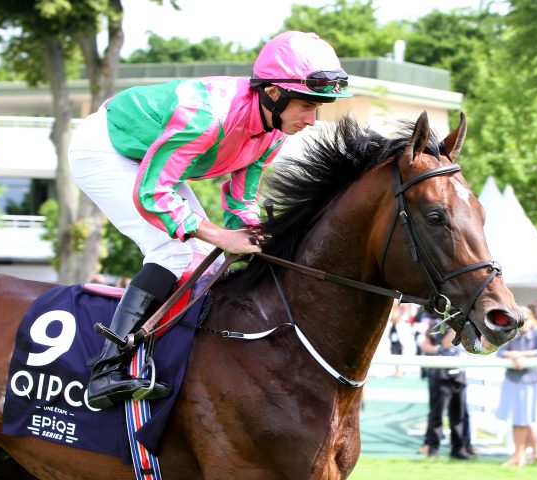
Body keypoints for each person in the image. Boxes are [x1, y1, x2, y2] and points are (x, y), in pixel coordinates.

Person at [68, 31, 353, 409]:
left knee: (212, 259)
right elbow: (152, 194)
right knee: (172, 251)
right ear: (273, 93)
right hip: (106, 150)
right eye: (307, 105)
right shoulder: (206, 117)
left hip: (149, 161)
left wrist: (263, 238)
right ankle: (106, 370)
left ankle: (168, 356)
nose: (313, 119)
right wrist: (222, 235)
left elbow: (242, 202)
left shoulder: (272, 134)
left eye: (319, 107)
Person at [495, 306, 537, 466]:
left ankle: (519, 456)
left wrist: (521, 355)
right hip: (512, 380)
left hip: (529, 381)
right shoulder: (511, 332)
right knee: (521, 418)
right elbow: (500, 352)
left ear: (530, 317)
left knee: (523, 419)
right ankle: (536, 451)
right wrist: (512, 355)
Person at [419, 312, 474, 460]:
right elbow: (445, 343)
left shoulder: (468, 326)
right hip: (441, 375)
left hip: (459, 375)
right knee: (436, 414)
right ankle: (433, 447)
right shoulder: (437, 325)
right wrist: (456, 325)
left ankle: (459, 448)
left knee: (459, 415)